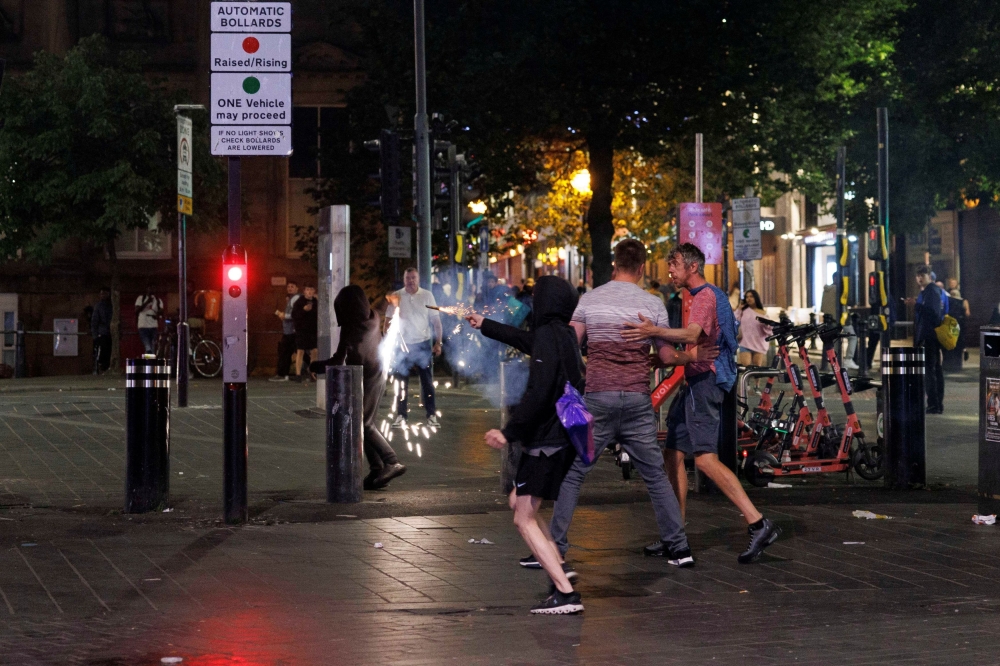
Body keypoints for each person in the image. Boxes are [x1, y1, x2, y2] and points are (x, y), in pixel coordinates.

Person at [541, 239, 709, 569]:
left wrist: (584, 369)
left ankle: (556, 547)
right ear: (643, 268)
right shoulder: (653, 304)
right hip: (636, 400)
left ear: (615, 264)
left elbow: (569, 344)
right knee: (656, 477)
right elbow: (664, 355)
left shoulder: (590, 300)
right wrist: (688, 357)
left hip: (598, 397)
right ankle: (679, 547)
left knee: (574, 473)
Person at [622, 243, 780, 564]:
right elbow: (691, 346)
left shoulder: (705, 296)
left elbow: (693, 336)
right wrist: (665, 359)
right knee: (672, 454)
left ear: (692, 267)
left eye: (675, 263)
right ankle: (675, 536)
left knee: (706, 460)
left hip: (705, 384)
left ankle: (758, 523)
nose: (670, 269)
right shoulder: (689, 297)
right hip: (694, 381)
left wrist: (655, 331)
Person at [467, 276, 584, 615]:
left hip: (545, 440)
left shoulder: (550, 334)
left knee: (523, 517)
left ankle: (565, 593)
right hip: (560, 437)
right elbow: (524, 339)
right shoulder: (562, 334)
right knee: (519, 500)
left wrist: (509, 431)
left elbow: (539, 392)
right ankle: (559, 565)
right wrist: (485, 325)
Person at [312, 285, 406, 490]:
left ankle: (391, 462)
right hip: (378, 372)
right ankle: (377, 468)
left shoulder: (350, 328)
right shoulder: (372, 316)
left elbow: (337, 360)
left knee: (363, 423)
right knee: (366, 422)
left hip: (369, 375)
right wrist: (388, 297)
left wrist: (314, 366)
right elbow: (381, 307)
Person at [386, 268, 442, 428]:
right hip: (402, 344)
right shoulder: (397, 296)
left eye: (413, 278)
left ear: (418, 279)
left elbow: (436, 321)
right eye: (408, 278)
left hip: (422, 343)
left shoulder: (427, 295)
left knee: (427, 382)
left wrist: (438, 342)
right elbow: (388, 320)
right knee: (401, 382)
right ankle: (401, 416)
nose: (411, 281)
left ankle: (431, 415)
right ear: (404, 280)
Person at [906, 265, 946, 414]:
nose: (919, 278)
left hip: (930, 336)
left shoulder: (932, 291)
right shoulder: (928, 292)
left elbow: (933, 314)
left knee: (931, 371)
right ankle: (935, 404)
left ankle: (934, 404)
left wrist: (916, 305)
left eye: (922, 275)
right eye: (918, 276)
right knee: (933, 370)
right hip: (928, 336)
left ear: (930, 275)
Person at [270, 282, 300, 382]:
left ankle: (282, 374)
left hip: (292, 331)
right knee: (297, 352)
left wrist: (284, 316)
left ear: (297, 288)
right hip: (290, 331)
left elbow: (295, 314)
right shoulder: (290, 298)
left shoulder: (295, 298)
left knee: (286, 353)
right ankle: (284, 374)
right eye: (288, 287)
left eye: (292, 286)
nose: (290, 288)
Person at [736, 289, 771, 368]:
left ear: (756, 298)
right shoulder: (743, 311)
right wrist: (739, 309)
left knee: (757, 368)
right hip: (745, 343)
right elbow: (734, 320)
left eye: (751, 296)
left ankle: (757, 381)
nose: (749, 299)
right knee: (746, 368)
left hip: (758, 343)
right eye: (747, 297)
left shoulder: (763, 313)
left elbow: (768, 328)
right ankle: (746, 381)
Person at [292, 285, 318, 381]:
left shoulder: (316, 302)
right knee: (300, 351)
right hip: (301, 330)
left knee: (314, 351)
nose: (310, 291)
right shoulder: (299, 302)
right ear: (304, 291)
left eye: (311, 289)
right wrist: (304, 310)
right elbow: (294, 315)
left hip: (313, 330)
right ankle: (298, 374)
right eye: (308, 289)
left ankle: (312, 372)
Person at [134, 285, 163, 355]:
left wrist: (157, 315)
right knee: (147, 345)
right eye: (150, 288)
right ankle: (149, 359)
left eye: (153, 288)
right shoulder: (141, 298)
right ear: (147, 289)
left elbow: (161, 311)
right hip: (143, 325)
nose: (151, 290)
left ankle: (149, 362)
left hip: (153, 325)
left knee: (152, 345)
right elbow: (136, 310)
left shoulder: (158, 300)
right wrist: (147, 302)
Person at [91, 287, 112, 374]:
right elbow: (95, 321)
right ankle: (100, 368)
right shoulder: (99, 306)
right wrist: (95, 335)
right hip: (102, 332)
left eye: (105, 294)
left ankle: (105, 367)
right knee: (102, 351)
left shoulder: (111, 306)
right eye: (101, 294)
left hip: (109, 332)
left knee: (108, 351)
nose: (103, 296)